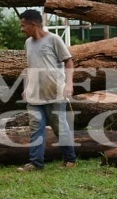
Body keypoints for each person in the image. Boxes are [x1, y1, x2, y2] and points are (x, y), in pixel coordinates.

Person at [17, 9, 78, 172]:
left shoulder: (54, 39)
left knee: (60, 128)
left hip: (54, 94)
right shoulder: (28, 43)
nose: (21, 29)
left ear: (33, 24)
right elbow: (30, 67)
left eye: (23, 25)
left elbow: (69, 62)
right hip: (34, 96)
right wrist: (26, 86)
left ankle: (70, 159)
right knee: (36, 129)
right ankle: (36, 163)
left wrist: (69, 84)